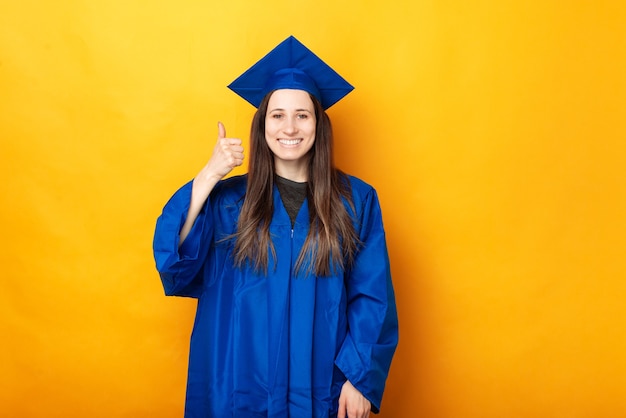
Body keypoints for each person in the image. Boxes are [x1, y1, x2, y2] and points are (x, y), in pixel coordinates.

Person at [153, 36, 398, 418]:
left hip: (322, 387)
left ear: (318, 124)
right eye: (277, 115)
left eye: (302, 114)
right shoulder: (228, 201)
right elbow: (176, 262)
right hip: (237, 383)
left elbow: (373, 297)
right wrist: (208, 176)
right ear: (262, 124)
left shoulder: (355, 201)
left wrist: (359, 379)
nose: (289, 127)